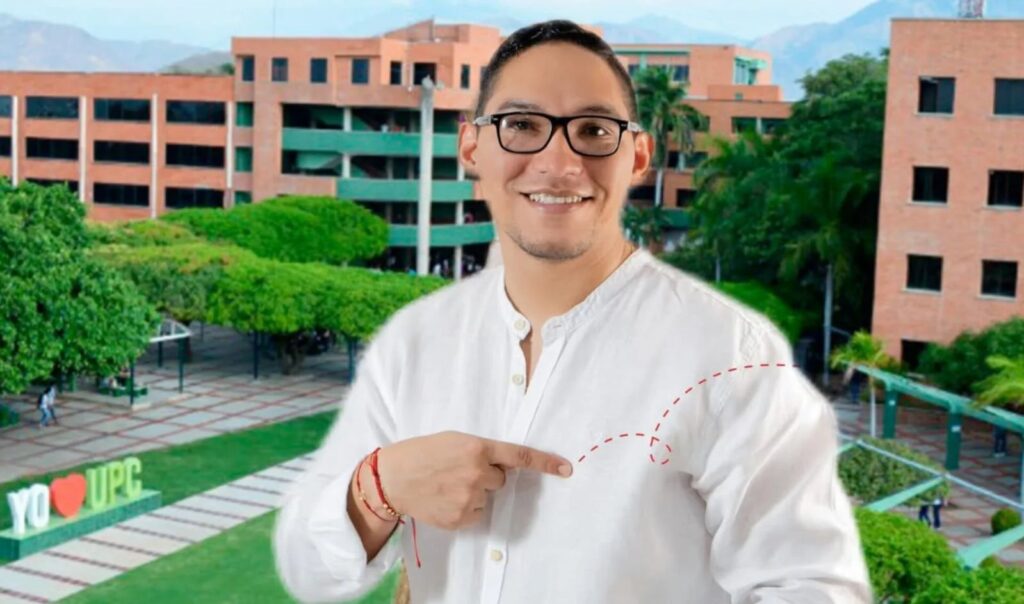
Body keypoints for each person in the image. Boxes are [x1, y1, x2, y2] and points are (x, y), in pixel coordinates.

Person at [274, 20, 872, 604]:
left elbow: (810, 584)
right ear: (471, 146)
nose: (559, 162)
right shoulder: (416, 342)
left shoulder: (728, 355)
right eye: (522, 124)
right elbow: (310, 569)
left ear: (636, 155)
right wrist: (379, 486)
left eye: (592, 130)